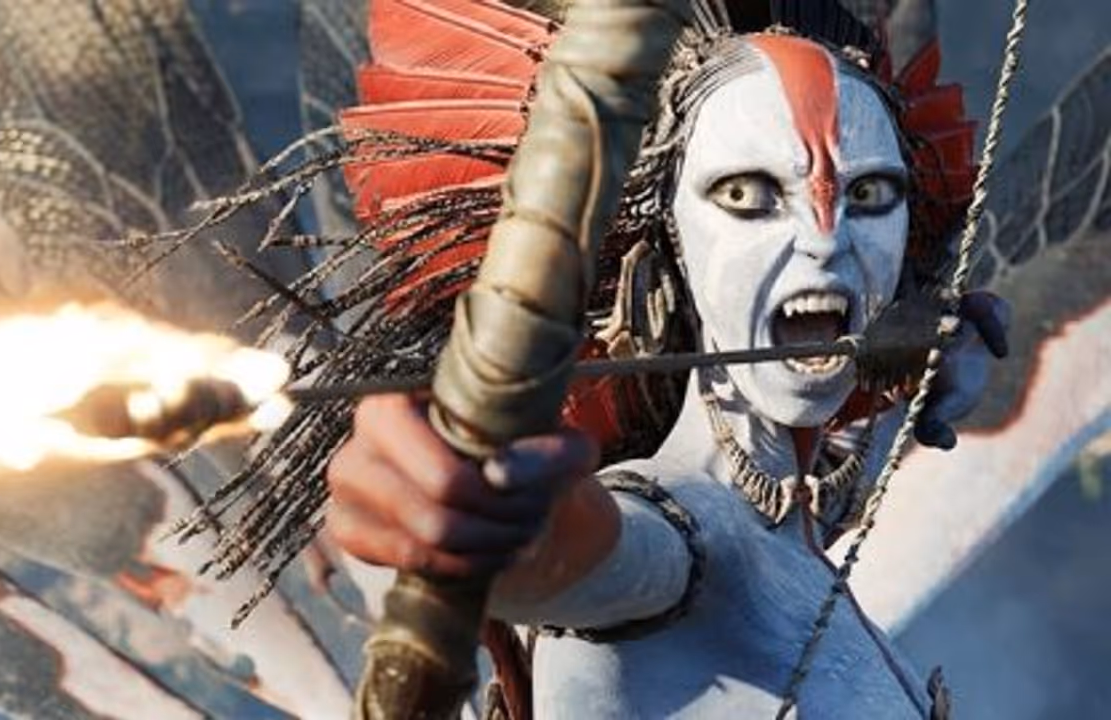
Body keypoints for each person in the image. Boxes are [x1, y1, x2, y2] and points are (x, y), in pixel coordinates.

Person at [322, 1, 1010, 717]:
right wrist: (480, 515)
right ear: (669, 241)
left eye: (869, 194)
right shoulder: (677, 534)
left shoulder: (790, 518)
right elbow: (582, 555)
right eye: (745, 194)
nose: (824, 241)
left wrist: (930, 360)